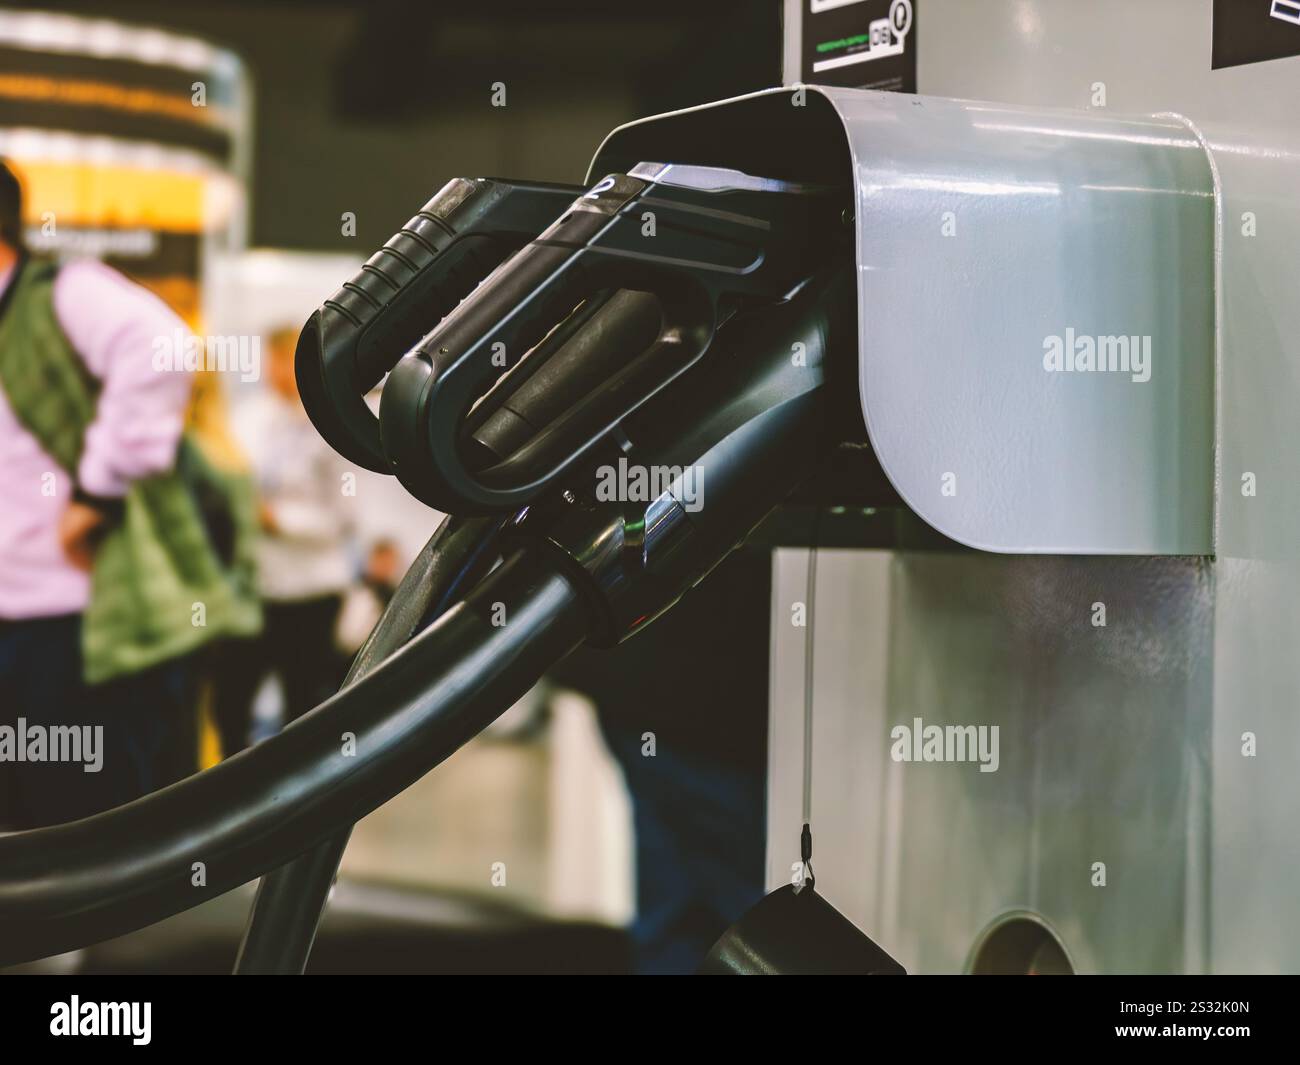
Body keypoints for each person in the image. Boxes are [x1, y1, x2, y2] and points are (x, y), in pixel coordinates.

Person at [0, 159, 233, 829]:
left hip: (72, 624)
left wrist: (96, 493)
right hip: (15, 618)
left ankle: (85, 938)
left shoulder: (60, 293)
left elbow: (162, 346)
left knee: (76, 822)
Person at [211, 326, 354, 757]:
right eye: (275, 361)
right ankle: (230, 795)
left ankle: (298, 802)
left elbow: (344, 515)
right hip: (252, 590)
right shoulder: (247, 420)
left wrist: (279, 521)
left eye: (291, 363)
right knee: (230, 702)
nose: (282, 373)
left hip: (310, 589)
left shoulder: (334, 426)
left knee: (304, 706)